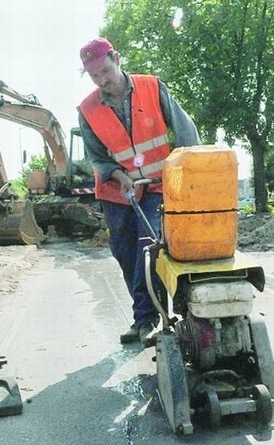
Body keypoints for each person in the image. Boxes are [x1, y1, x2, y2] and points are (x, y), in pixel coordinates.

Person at [77, 37, 200, 347]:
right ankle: (147, 312)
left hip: (157, 185)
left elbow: (185, 130)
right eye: (94, 76)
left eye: (105, 71)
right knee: (126, 255)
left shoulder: (152, 87)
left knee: (149, 246)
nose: (102, 81)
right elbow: (97, 157)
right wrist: (119, 175)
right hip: (116, 192)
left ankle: (145, 319)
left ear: (117, 58)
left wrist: (190, 166)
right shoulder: (87, 110)